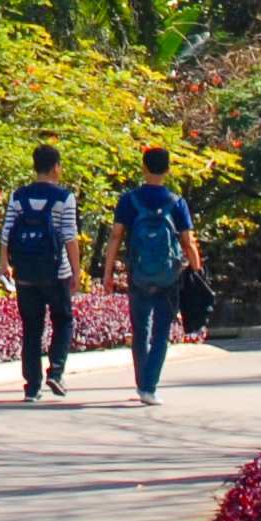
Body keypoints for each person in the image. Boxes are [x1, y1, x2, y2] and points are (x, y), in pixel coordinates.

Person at [107, 146, 202, 403]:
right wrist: (197, 270)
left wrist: (107, 273)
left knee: (140, 331)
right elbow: (188, 241)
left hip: (138, 274)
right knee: (161, 332)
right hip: (168, 275)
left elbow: (116, 236)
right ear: (168, 170)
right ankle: (149, 386)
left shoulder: (129, 200)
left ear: (144, 168)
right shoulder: (176, 201)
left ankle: (142, 383)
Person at [1, 142, 80, 400]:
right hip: (57, 273)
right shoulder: (64, 197)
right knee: (63, 321)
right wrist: (76, 272)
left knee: (32, 329)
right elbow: (69, 236)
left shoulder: (18, 196)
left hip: (25, 273)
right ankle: (56, 372)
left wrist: (5, 263)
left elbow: (7, 232)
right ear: (56, 167)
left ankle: (32, 388)